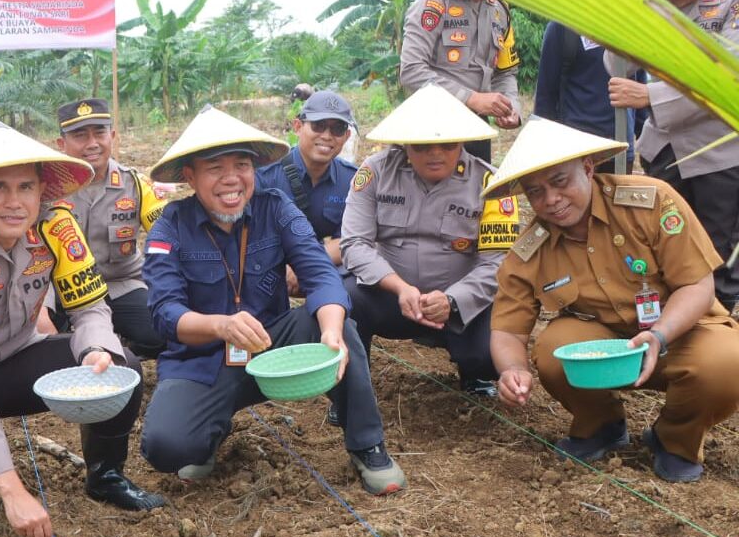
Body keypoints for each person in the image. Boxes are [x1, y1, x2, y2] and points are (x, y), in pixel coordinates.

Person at [0, 123, 164, 537]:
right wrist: (11, 488)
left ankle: (105, 473)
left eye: (26, 186)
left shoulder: (57, 230)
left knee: (121, 368)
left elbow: (89, 307)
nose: (14, 202)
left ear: (42, 189)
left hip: (18, 360)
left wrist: (96, 349)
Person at [139, 106, 406, 495]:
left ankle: (367, 444)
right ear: (189, 176)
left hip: (272, 347)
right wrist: (220, 325)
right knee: (168, 448)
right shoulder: (169, 227)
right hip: (202, 360)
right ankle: (211, 426)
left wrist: (331, 332)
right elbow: (165, 313)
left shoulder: (275, 206)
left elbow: (320, 274)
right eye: (215, 168)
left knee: (339, 324)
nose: (232, 179)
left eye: (242, 164)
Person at [486, 117, 739, 482]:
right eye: (535, 192)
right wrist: (512, 370)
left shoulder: (651, 203)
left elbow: (697, 286)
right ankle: (601, 424)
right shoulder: (531, 248)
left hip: (680, 333)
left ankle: (675, 439)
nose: (551, 200)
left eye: (560, 182)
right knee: (553, 350)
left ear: (587, 169)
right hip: (606, 347)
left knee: (727, 361)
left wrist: (660, 334)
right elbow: (508, 330)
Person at [340, 84, 521, 399]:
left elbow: (498, 262)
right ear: (406, 144)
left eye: (447, 144)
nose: (435, 153)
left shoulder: (492, 185)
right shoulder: (375, 172)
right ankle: (353, 390)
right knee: (343, 300)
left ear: (462, 141)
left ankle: (475, 374)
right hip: (394, 300)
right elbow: (354, 244)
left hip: (461, 307)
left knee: (490, 354)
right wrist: (399, 287)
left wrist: (451, 300)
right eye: (423, 146)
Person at [608, 0, 739, 312]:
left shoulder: (732, 0)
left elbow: (728, 75)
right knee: (663, 243)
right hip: (664, 146)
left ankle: (717, 340)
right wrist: (615, 29)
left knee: (716, 254)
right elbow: (617, 63)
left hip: (720, 153)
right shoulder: (658, 0)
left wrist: (652, 96)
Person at [399, 0, 529, 163]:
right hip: (432, 131)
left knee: (476, 197)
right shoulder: (435, 3)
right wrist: (472, 98)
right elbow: (411, 71)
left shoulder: (501, 11)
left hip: (477, 130)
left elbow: (505, 71)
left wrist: (512, 108)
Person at [49, 98, 166, 358]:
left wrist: (167, 291)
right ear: (61, 144)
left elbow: (167, 239)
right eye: (80, 135)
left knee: (163, 327)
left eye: (99, 133)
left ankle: (125, 350)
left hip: (122, 285)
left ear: (112, 136)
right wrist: (42, 312)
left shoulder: (135, 184)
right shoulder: (47, 191)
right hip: (65, 293)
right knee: (51, 345)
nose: (92, 143)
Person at [256, 90, 359, 279]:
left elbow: (350, 240)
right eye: (318, 126)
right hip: (268, 270)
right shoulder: (265, 177)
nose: (327, 136)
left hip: (321, 270)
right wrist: (281, 269)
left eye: (337, 129)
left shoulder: (351, 180)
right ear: (298, 126)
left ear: (346, 136)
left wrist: (306, 264)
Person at [534, 21, 646, 172]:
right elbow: (545, 96)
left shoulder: (630, 27)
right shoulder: (562, 27)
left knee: (616, 195)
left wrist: (644, 137)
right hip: (577, 148)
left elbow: (639, 85)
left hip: (620, 146)